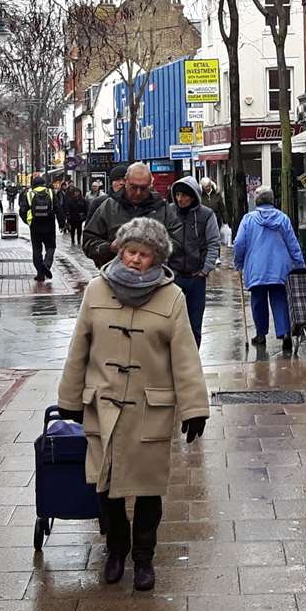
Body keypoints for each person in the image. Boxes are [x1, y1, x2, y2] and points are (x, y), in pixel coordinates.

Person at [57, 217, 209, 591]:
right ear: (120, 251)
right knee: (106, 487)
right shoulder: (96, 290)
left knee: (147, 488)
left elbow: (185, 356)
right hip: (103, 406)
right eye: (130, 251)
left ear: (156, 258)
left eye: (144, 254)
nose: (135, 259)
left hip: (149, 410)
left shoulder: (172, 296)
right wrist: (69, 400)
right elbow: (79, 349)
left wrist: (194, 408)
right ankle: (115, 550)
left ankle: (143, 558)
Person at [233, 187, 306, 354]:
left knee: (258, 302)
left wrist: (238, 263)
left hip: (256, 269)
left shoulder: (248, 219)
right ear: (272, 200)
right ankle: (284, 332)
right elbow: (293, 244)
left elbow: (238, 243)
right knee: (280, 299)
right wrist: (300, 264)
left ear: (256, 201)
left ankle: (261, 334)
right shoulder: (283, 218)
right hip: (280, 268)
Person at [83, 162, 182, 267]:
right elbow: (88, 241)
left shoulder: (162, 208)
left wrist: (155, 249)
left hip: (153, 276)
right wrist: (110, 248)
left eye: (143, 188)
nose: (138, 193)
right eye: (133, 187)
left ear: (150, 185)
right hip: (114, 275)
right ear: (126, 182)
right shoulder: (108, 207)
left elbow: (177, 241)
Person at [167, 176, 223, 346]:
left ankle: (192, 363)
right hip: (173, 276)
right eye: (177, 195)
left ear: (193, 196)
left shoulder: (206, 215)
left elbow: (213, 242)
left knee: (194, 324)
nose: (180, 199)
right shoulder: (168, 212)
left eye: (184, 195)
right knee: (171, 324)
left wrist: (205, 269)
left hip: (196, 277)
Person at [21, 173, 58, 281]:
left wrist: (28, 222)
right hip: (49, 224)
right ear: (43, 183)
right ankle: (46, 264)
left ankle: (40, 274)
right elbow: (57, 207)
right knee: (51, 247)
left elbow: (23, 211)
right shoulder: (51, 192)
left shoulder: (29, 194)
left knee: (37, 250)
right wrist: (61, 222)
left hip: (35, 226)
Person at [60, 183, 89, 248]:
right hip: (72, 217)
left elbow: (86, 208)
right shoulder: (70, 200)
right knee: (72, 229)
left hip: (80, 217)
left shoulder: (83, 200)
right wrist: (67, 214)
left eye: (78, 192)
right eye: (75, 192)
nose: (76, 193)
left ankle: (78, 240)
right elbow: (67, 207)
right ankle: (73, 240)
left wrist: (85, 215)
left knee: (79, 229)